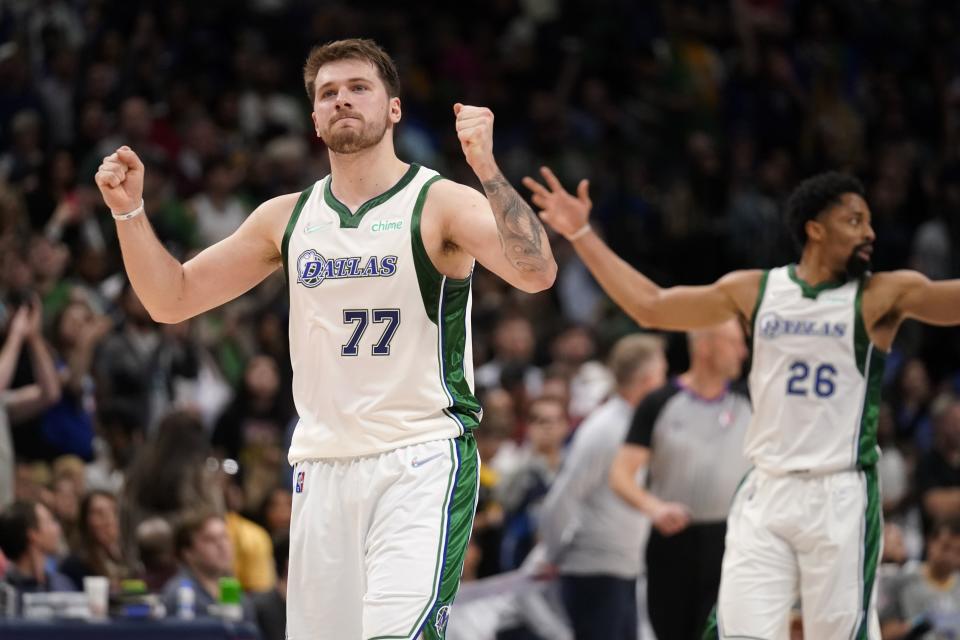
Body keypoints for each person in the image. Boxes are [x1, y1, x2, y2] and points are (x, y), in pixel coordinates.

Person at [95, 38, 556, 640]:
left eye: (358, 87)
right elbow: (170, 298)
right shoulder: (285, 217)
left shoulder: (438, 201)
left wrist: (487, 168)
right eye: (327, 93)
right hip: (321, 465)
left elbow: (536, 272)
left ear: (393, 108)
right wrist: (129, 213)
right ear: (313, 119)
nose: (342, 100)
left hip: (417, 456)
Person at [525, 168, 960, 638]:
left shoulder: (881, 296)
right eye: (855, 220)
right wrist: (582, 233)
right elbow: (651, 305)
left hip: (839, 494)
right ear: (815, 228)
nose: (870, 232)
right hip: (767, 490)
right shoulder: (757, 291)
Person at [608, 320, 752, 640]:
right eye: (734, 343)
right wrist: (653, 507)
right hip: (673, 544)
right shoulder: (659, 402)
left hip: (733, 542)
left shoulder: (751, 401)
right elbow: (620, 474)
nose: (743, 352)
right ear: (704, 346)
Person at [537, 333, 667, 640]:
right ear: (647, 380)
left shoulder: (633, 424)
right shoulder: (605, 429)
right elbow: (563, 496)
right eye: (662, 375)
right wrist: (552, 554)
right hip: (595, 572)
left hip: (622, 570)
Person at [0, 500, 75, 610]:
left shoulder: (62, 585)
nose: (57, 529)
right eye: (50, 521)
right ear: (33, 535)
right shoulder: (5, 596)